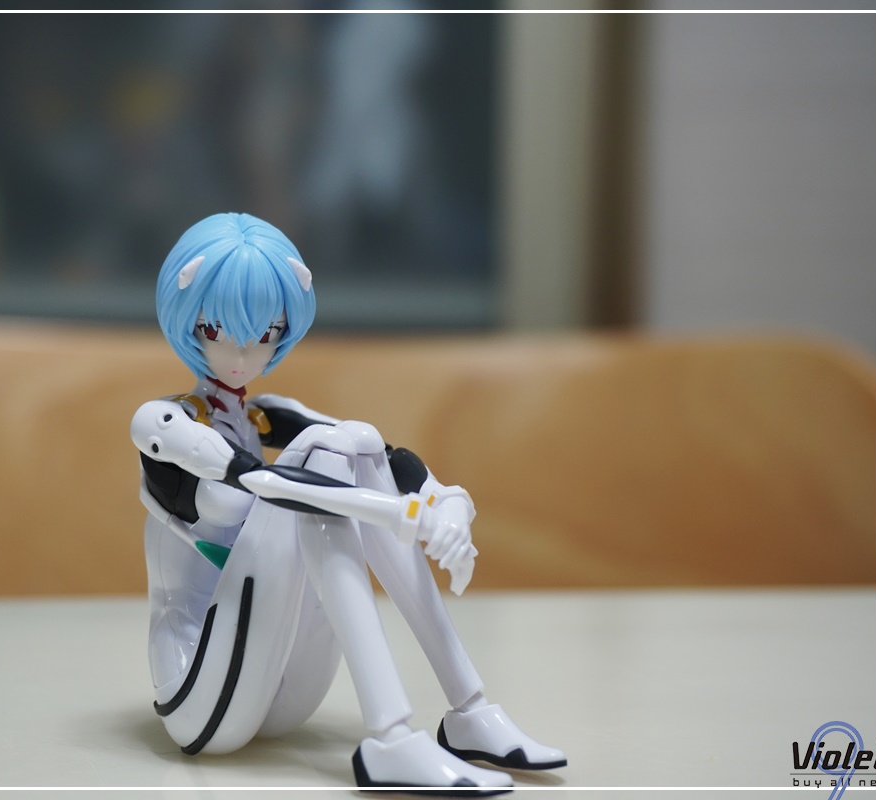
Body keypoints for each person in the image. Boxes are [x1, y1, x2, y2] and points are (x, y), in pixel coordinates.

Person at [129, 212, 565, 793]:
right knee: (319, 455)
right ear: (186, 318)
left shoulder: (263, 415)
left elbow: (379, 453)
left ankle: (469, 709)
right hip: (199, 691)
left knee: (350, 438)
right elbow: (251, 486)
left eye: (266, 333)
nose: (242, 353)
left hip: (281, 686)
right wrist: (388, 513)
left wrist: (447, 508)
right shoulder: (164, 424)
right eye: (216, 328)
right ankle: (390, 736)